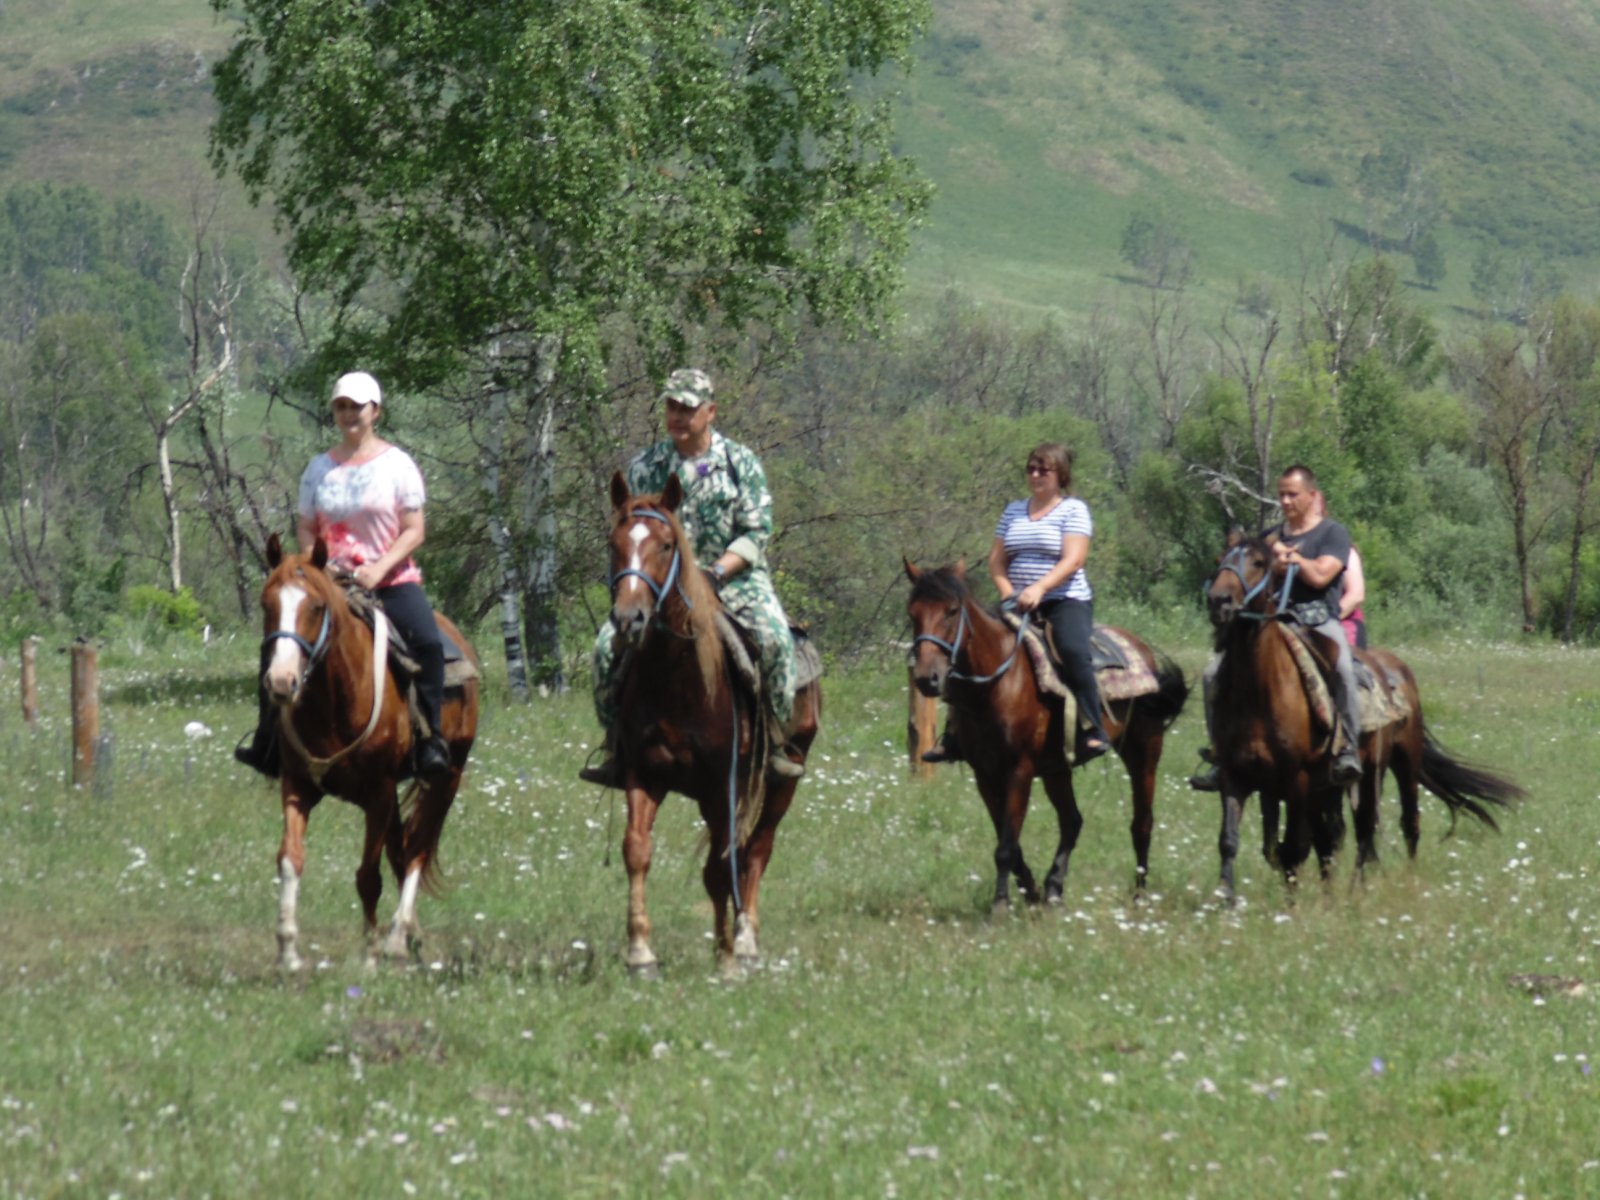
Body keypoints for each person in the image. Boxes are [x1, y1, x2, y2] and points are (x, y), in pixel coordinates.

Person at [581, 368, 802, 785]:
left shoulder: (741, 464)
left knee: (775, 640)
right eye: (671, 406)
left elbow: (757, 532)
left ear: (711, 411)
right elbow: (630, 528)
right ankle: (616, 748)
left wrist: (717, 572)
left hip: (733, 578)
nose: (677, 415)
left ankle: (773, 743)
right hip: (661, 587)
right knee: (605, 650)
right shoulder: (646, 466)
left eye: (687, 407)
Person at [234, 370, 453, 783]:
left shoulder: (398, 465)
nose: (349, 414)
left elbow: (414, 529)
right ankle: (269, 742)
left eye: (357, 406)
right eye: (341, 406)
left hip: (391, 580)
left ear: (376, 412)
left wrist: (378, 568)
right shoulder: (319, 469)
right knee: (278, 645)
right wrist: (321, 566)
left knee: (426, 641)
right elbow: (305, 527)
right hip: (329, 582)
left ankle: (430, 742)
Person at [925, 442, 1111, 764]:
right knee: (968, 646)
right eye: (1031, 468)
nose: (1036, 475)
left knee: (1072, 650)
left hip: (1064, 600)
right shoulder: (1013, 510)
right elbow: (997, 559)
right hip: (1017, 601)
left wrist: (1039, 588)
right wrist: (1007, 591)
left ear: (1061, 474)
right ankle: (953, 735)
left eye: (1044, 469)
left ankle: (1093, 728)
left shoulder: (1074, 510)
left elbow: (1074, 560)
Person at [1189, 465, 1362, 792]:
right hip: (1272, 622)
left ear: (1312, 496)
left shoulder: (1332, 534)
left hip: (1317, 621)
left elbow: (1322, 576)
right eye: (1281, 494)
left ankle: (1346, 749)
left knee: (1342, 667)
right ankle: (1221, 754)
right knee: (1213, 674)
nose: (1284, 501)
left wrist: (1290, 560)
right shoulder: (1271, 536)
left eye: (1292, 494)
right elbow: (1253, 568)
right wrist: (1275, 557)